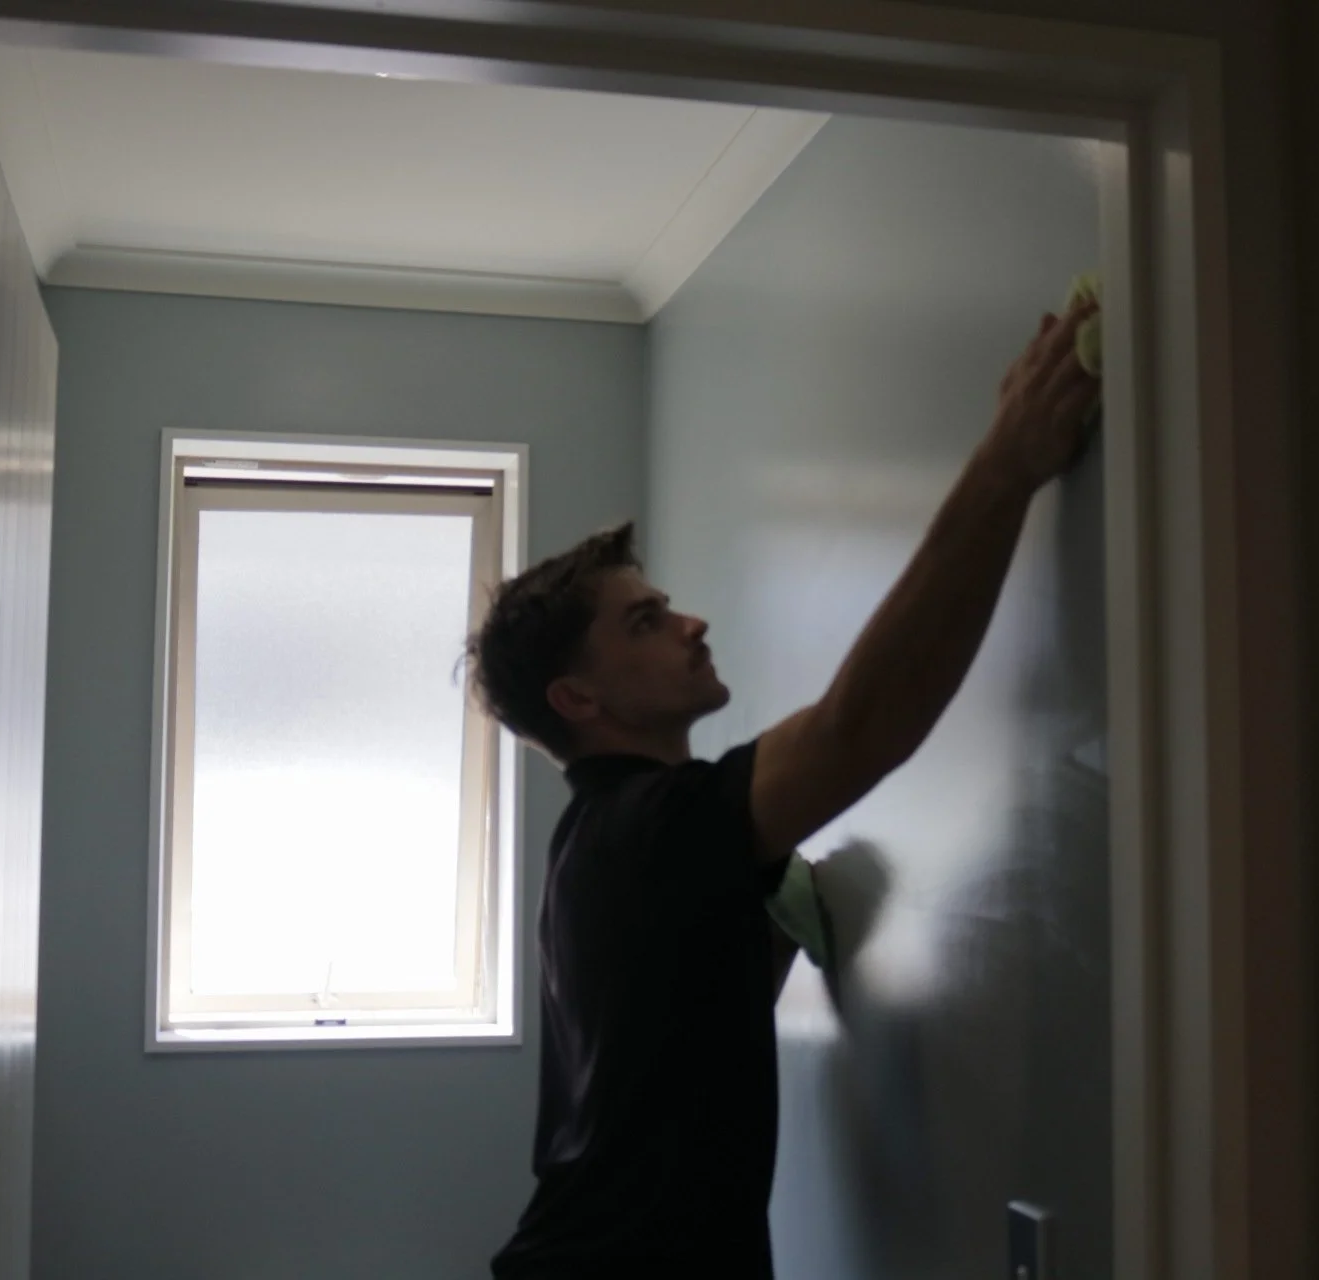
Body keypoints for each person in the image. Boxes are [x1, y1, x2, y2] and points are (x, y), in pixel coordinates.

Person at [470, 296, 1102, 1280]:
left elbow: (692, 1011)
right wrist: (1008, 463)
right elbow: (860, 726)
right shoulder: (650, 828)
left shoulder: (601, 841)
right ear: (578, 698)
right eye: (645, 622)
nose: (691, 623)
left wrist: (782, 910)